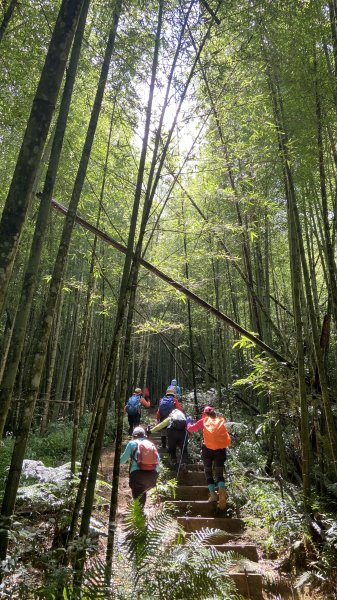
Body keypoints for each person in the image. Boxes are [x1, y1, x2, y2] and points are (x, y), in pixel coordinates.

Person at [187, 406, 231, 509]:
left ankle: (213, 495)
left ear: (205, 414)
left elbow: (190, 428)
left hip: (207, 449)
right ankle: (221, 491)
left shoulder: (204, 420)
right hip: (220, 449)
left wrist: (188, 421)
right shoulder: (220, 421)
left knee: (208, 472)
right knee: (219, 473)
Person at [120, 426, 160, 508]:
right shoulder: (151, 444)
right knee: (143, 491)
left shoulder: (132, 443)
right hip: (152, 475)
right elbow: (158, 460)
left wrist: (116, 463)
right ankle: (140, 513)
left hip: (137, 475)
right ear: (144, 435)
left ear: (134, 435)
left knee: (138, 493)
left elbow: (123, 459)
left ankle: (139, 514)